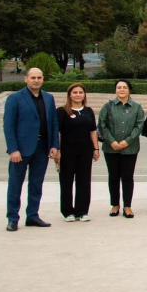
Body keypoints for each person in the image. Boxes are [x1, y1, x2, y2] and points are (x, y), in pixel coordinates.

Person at [3, 68, 59, 231]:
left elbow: (54, 123)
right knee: (15, 184)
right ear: (25, 79)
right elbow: (8, 126)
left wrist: (54, 145)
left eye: (39, 77)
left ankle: (33, 216)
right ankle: (13, 218)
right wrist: (13, 149)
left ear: (43, 79)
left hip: (42, 148)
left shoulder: (48, 98)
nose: (36, 80)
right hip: (20, 150)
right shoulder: (14, 98)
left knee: (36, 184)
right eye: (33, 77)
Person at [99, 79, 145, 217]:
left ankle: (127, 206)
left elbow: (139, 125)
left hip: (130, 149)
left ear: (129, 90)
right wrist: (111, 141)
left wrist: (128, 141)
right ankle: (115, 205)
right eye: (119, 87)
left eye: (125, 87)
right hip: (111, 148)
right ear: (115, 90)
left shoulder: (137, 107)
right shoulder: (108, 106)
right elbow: (102, 125)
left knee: (127, 177)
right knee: (113, 177)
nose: (122, 90)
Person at [56, 83, 98, 222]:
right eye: (75, 92)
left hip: (85, 150)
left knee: (84, 181)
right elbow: (59, 133)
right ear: (69, 95)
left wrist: (96, 148)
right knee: (66, 181)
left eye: (81, 92)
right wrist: (58, 150)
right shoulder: (62, 111)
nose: (78, 94)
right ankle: (68, 211)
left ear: (84, 95)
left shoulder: (88, 111)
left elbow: (93, 130)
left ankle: (82, 211)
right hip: (67, 151)